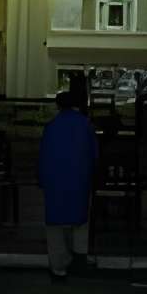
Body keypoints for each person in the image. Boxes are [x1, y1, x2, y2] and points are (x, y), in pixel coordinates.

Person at [37, 88, 99, 280]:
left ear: (57, 105)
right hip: (79, 179)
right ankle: (80, 255)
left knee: (54, 225)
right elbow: (94, 154)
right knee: (80, 220)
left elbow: (43, 157)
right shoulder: (85, 125)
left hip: (55, 180)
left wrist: (42, 179)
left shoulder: (51, 127)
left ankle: (58, 266)